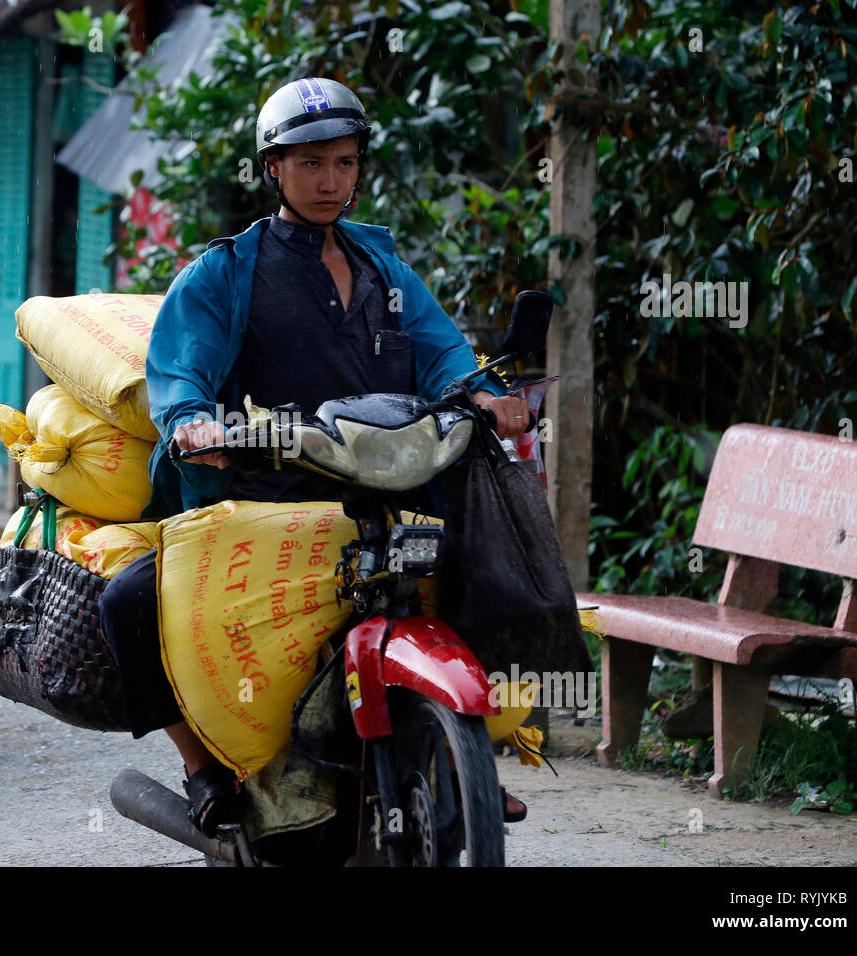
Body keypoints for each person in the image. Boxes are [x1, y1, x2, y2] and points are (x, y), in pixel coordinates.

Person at [98, 77, 533, 836]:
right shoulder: (225, 273)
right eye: (310, 165)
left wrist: (488, 396)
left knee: (490, 562)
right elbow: (181, 375)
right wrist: (195, 423)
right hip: (267, 500)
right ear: (273, 169)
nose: (331, 181)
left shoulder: (384, 270)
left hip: (390, 490)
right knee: (127, 602)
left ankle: (470, 753)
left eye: (344, 162)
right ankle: (204, 769)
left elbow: (443, 356)